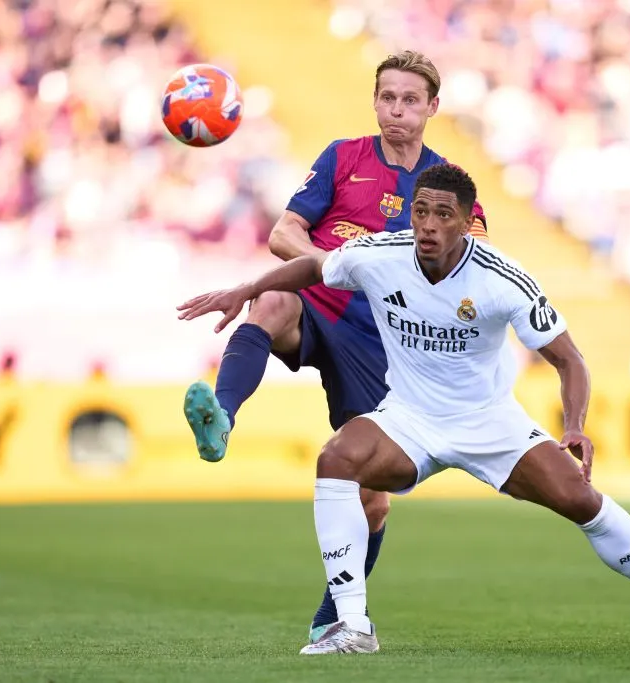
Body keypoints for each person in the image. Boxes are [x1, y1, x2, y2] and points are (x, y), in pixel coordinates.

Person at [177, 163, 630, 654]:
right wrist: (245, 288)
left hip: (490, 423)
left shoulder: (501, 279)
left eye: (444, 214)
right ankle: (351, 626)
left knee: (579, 499)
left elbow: (569, 360)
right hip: (410, 418)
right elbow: (311, 269)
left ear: (468, 222)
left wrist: (576, 426)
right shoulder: (380, 255)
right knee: (336, 460)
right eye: (420, 212)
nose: (429, 225)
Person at [181, 51, 487, 642]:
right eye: (387, 98)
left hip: (383, 342)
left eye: (409, 101)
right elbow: (282, 233)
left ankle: (334, 618)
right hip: (318, 303)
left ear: (431, 108)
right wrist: (335, 266)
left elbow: (470, 262)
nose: (396, 111)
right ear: (374, 101)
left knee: (371, 500)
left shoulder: (446, 184)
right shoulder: (342, 157)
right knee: (268, 304)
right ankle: (221, 419)